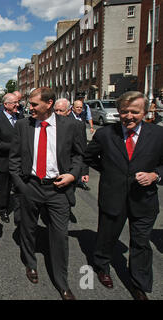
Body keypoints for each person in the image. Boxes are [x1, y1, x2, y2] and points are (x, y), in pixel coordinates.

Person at [84, 91, 163, 300]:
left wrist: (155, 175)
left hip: (144, 200)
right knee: (106, 236)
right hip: (113, 196)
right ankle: (102, 267)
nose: (128, 116)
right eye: (124, 111)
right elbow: (89, 157)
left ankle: (139, 284)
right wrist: (109, 171)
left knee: (141, 243)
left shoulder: (158, 134)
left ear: (145, 112)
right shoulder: (105, 134)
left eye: (134, 112)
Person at [9, 87, 85, 300]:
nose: (28, 108)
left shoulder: (71, 126)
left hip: (58, 189)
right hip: (30, 186)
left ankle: (62, 282)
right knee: (28, 228)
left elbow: (79, 155)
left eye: (34, 104)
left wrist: (72, 175)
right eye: (29, 104)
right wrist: (21, 186)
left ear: (49, 104)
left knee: (60, 236)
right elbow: (14, 158)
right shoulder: (22, 125)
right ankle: (30, 264)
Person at [54, 98, 89, 223]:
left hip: (70, 168)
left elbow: (82, 151)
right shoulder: (50, 124)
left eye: (61, 110)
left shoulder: (77, 125)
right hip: (55, 168)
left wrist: (84, 171)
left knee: (68, 193)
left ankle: (67, 209)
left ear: (68, 111)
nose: (57, 113)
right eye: (56, 110)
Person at [0, 93, 24, 225]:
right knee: (4, 188)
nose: (18, 104)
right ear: (6, 105)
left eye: (18, 102)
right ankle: (3, 209)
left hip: (20, 161)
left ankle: (20, 214)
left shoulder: (20, 118)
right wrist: (15, 146)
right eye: (15, 102)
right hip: (4, 161)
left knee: (19, 187)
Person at [69, 100, 91, 191]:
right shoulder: (68, 119)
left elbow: (83, 139)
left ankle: (79, 180)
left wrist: (85, 170)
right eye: (77, 107)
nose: (79, 109)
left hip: (79, 149)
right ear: (72, 108)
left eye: (80, 107)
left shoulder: (81, 118)